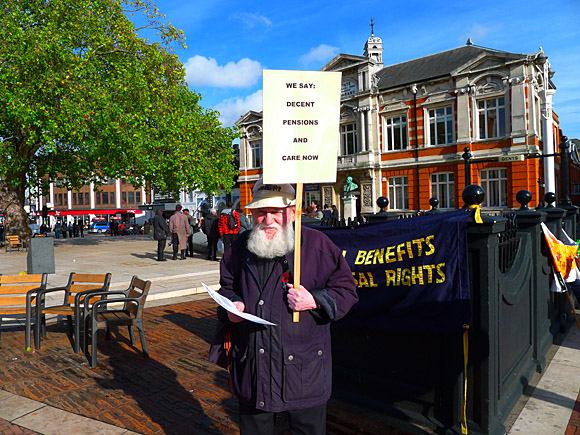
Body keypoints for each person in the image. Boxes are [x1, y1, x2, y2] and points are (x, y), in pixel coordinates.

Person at [209, 179, 358, 435]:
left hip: (303, 371)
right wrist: (230, 306)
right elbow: (226, 288)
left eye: (275, 212)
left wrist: (315, 300)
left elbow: (346, 291)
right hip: (254, 366)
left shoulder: (317, 246)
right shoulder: (238, 250)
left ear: (292, 211)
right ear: (252, 213)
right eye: (260, 212)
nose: (268, 220)